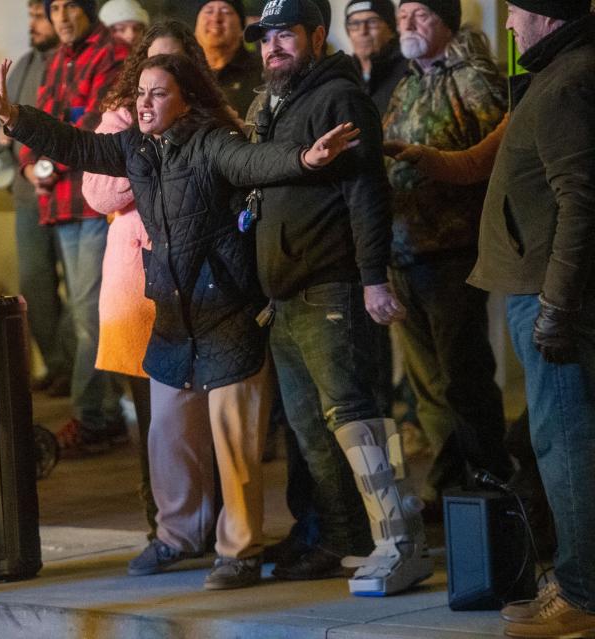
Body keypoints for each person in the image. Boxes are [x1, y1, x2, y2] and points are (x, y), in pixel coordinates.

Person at [0, 49, 359, 590]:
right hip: (173, 317)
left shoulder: (213, 142)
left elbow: (254, 164)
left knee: (234, 445)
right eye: (140, 93)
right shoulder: (137, 148)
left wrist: (305, 159)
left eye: (157, 93)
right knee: (167, 435)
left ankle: (237, 550)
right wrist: (15, 117)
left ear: (186, 97)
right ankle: (179, 537)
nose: (144, 103)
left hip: (226, 314)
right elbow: (78, 144)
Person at [243, 0, 431, 596]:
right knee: (311, 431)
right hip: (285, 297)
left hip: (333, 288)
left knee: (357, 420)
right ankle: (351, 540)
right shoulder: (277, 102)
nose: (272, 46)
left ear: (317, 36)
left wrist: (373, 277)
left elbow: (366, 189)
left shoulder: (337, 98)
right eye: (265, 37)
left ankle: (400, 543)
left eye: (285, 35)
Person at [466, 2, 595, 636]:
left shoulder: (570, 79)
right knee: (559, 441)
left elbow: (580, 200)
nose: (509, 25)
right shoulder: (557, 72)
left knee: (566, 444)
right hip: (539, 290)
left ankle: (583, 594)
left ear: (547, 15)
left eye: (517, 11)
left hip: (550, 298)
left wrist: (556, 305)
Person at [82, 18, 208, 542]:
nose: (158, 79)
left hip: (196, 282)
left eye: (173, 66)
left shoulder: (208, 123)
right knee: (150, 417)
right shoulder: (118, 121)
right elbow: (100, 194)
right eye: (151, 66)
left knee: (199, 413)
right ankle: (161, 522)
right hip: (135, 284)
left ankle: (209, 517)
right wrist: (151, 159)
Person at [383, 0, 511, 513]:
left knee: (464, 375)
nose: (406, 24)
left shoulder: (473, 75)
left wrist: (432, 163)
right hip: (405, 249)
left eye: (419, 14)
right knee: (428, 383)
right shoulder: (408, 80)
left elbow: (494, 154)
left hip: (453, 249)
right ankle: (448, 479)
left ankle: (489, 481)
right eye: (402, 15)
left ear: (446, 20)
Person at [21, 0, 129, 454]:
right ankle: (102, 411)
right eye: (54, 8)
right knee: (80, 311)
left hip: (94, 202)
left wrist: (45, 156)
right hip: (60, 202)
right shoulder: (57, 60)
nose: (61, 17)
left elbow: (92, 128)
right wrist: (31, 163)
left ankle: (95, 417)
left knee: (89, 314)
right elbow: (40, 116)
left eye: (70, 6)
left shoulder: (114, 54)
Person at [0, 0, 73, 396]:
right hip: (29, 196)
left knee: (80, 292)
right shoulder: (24, 65)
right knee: (35, 286)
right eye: (30, 17)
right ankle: (59, 366)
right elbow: (7, 128)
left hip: (69, 194)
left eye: (39, 16)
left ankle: (78, 369)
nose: (35, 24)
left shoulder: (72, 63)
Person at [195, 0, 262, 118]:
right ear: (195, 28)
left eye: (226, 12)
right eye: (208, 11)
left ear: (242, 29)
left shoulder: (262, 71)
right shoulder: (185, 71)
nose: (216, 18)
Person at [345, 0, 409, 115]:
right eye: (354, 24)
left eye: (372, 22)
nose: (362, 31)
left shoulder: (410, 71)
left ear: (391, 29)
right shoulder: (344, 74)